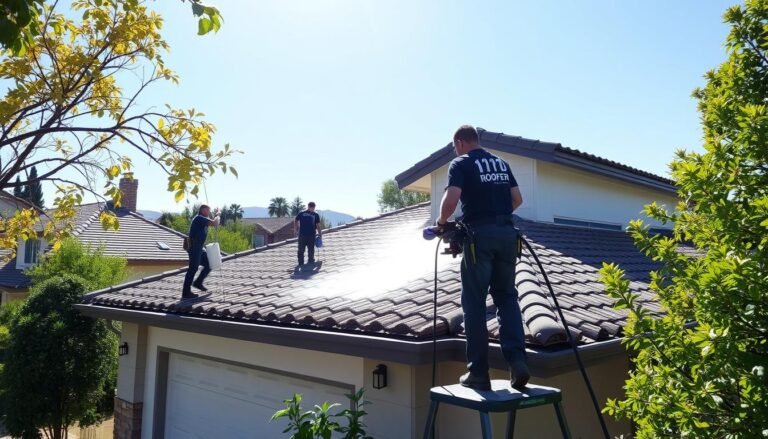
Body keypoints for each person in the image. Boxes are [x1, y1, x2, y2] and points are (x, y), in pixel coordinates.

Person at [435, 125, 529, 390]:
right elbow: (517, 199)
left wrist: (442, 222)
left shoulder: (460, 163)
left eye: (455, 146)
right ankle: (518, 363)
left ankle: (478, 373)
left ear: (460, 143)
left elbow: (451, 199)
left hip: (480, 239)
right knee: (507, 297)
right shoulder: (501, 163)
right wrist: (496, 215)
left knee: (474, 303)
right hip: (508, 235)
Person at [182, 204, 220, 298]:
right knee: (193, 268)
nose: (209, 213)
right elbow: (214, 223)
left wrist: (216, 217)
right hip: (194, 246)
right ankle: (186, 292)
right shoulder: (199, 218)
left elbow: (214, 223)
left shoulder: (203, 219)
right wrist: (218, 214)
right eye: (208, 210)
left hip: (199, 247)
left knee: (209, 263)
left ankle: (198, 283)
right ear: (203, 210)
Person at [295, 201, 321, 267]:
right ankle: (300, 263)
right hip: (302, 234)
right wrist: (296, 229)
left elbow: (318, 225)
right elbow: (296, 220)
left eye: (313, 208)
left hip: (312, 235)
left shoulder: (315, 215)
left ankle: (310, 261)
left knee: (311, 249)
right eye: (311, 208)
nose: (312, 209)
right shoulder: (302, 213)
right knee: (301, 249)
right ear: (308, 207)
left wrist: (320, 234)